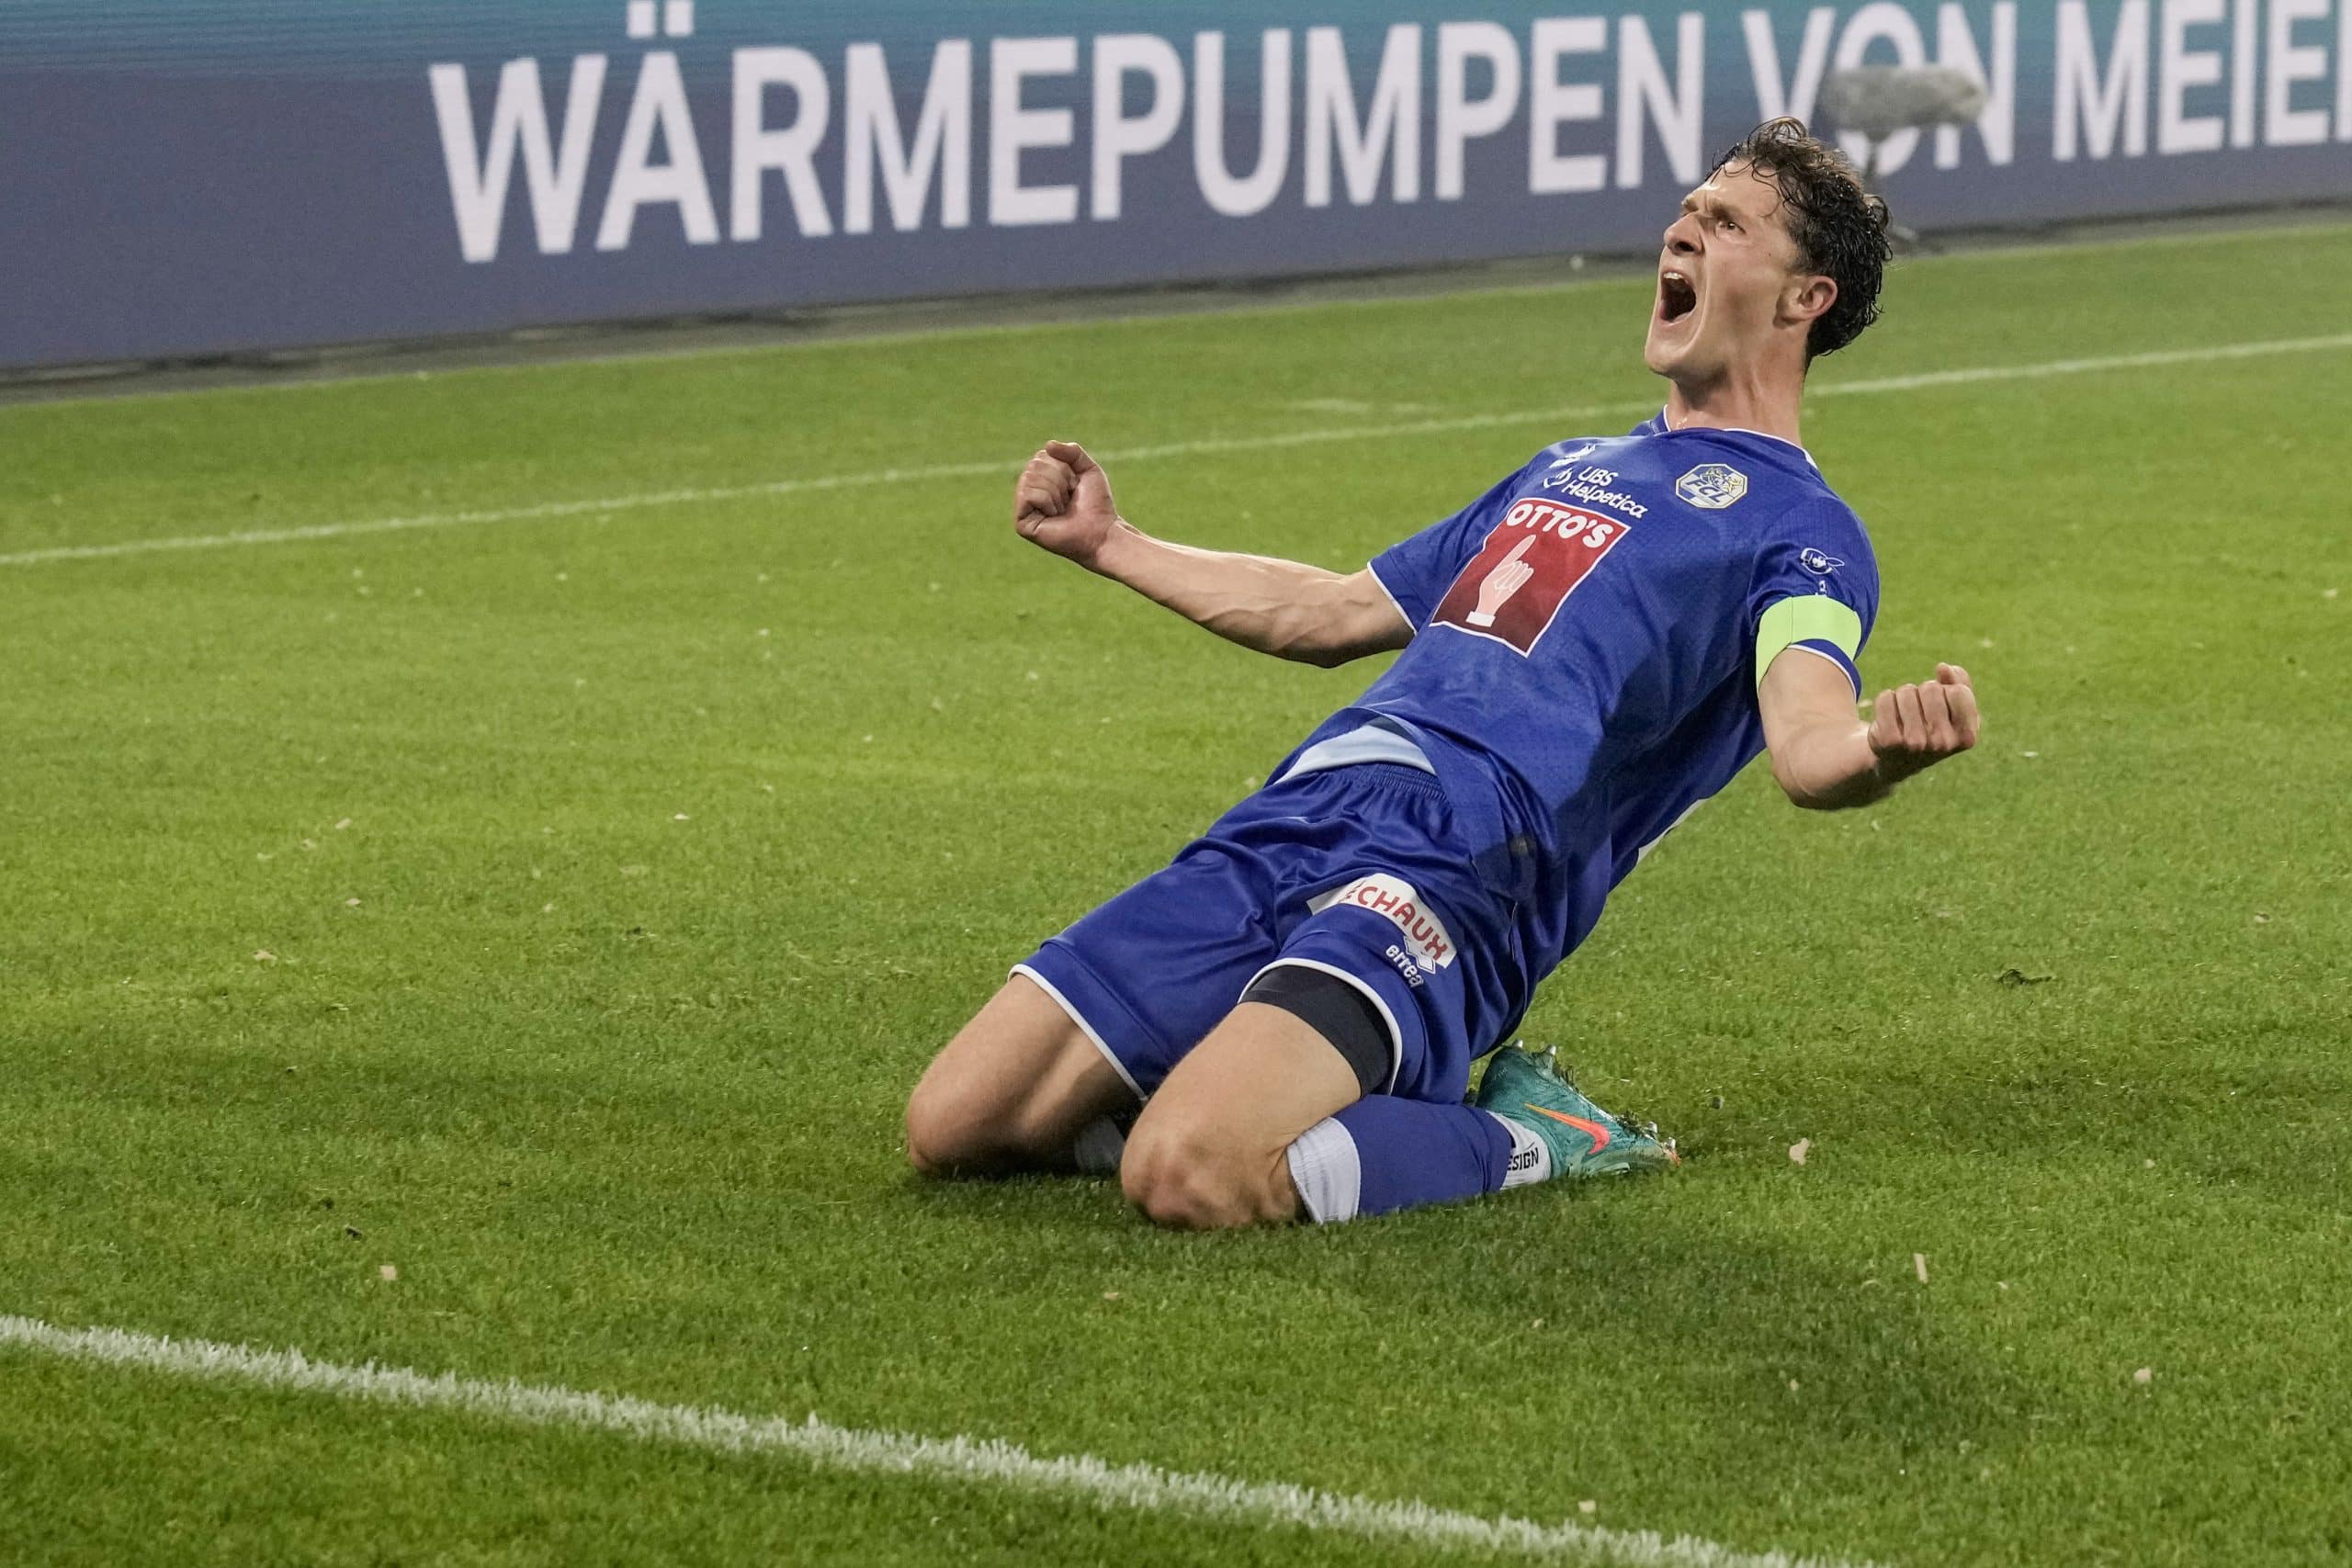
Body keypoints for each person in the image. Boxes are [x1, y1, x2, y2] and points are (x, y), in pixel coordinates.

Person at [904, 118, 1981, 1228]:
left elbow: (1806, 740)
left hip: (1468, 866)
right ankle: (1258, 1080)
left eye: (1726, 223)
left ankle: (1542, 1137)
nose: (1681, 232)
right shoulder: (1571, 465)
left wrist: (1878, 752)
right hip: (1307, 808)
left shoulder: (1803, 529)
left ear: (1806, 297)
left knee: (1188, 1173)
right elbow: (1332, 611)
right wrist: (1110, 543)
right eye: (1686, 211)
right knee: (958, 1124)